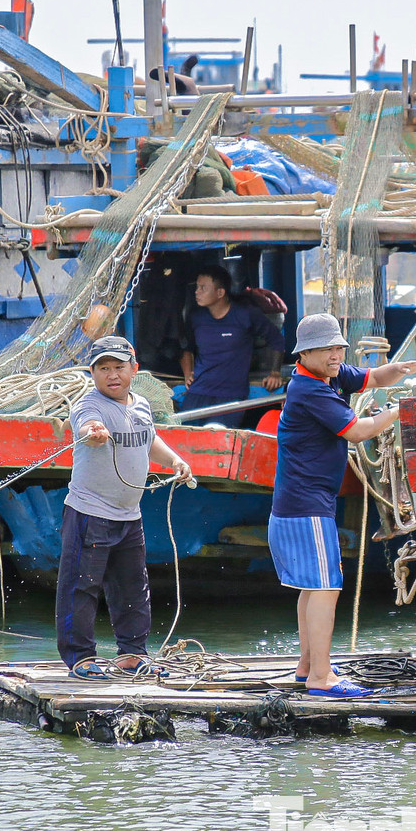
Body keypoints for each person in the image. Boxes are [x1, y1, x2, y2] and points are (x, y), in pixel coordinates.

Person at [268, 313, 416, 697]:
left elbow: (373, 378)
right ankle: (321, 678)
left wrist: (403, 369)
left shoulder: (328, 374)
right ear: (305, 353)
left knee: (311, 586)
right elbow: (358, 431)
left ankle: (308, 666)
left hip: (298, 504)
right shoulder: (310, 390)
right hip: (305, 506)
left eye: (338, 346)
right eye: (327, 348)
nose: (336, 353)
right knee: (326, 586)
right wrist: (402, 410)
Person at [57, 335, 194, 679]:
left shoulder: (141, 405)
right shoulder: (89, 406)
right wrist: (94, 432)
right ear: (93, 373)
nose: (112, 375)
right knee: (82, 586)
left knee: (133, 585)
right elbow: (85, 424)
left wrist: (176, 460)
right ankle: (81, 659)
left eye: (119, 367)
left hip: (129, 516)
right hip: (90, 512)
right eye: (104, 368)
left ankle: (132, 653)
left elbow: (149, 440)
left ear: (134, 369)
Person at [180, 265, 285, 427]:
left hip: (231, 395)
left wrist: (275, 372)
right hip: (198, 391)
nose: (197, 292)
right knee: (183, 436)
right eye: (197, 287)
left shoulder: (246, 314)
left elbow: (277, 339)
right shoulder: (196, 317)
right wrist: (187, 373)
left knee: (218, 440)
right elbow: (186, 348)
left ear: (220, 293)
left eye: (203, 288)